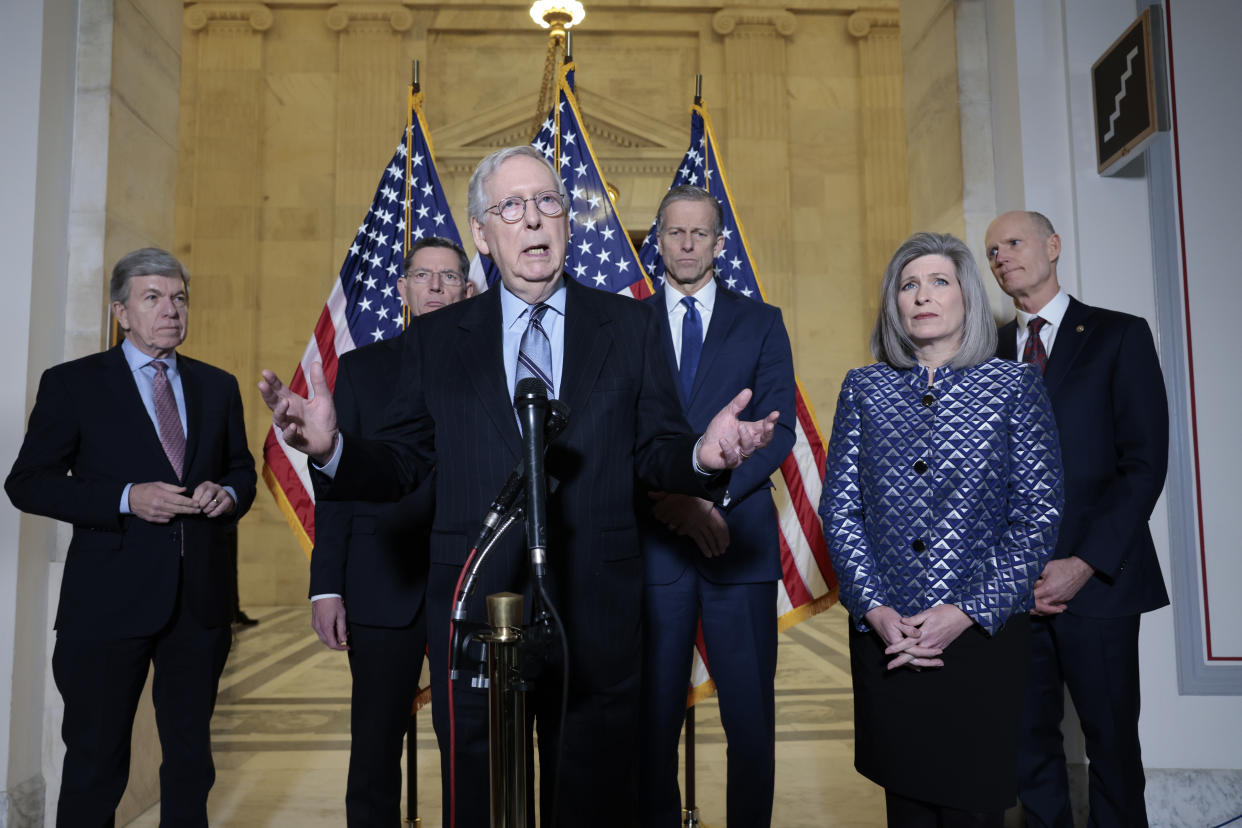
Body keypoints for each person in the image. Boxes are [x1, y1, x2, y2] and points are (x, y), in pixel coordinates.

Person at [258, 145, 779, 828]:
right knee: (481, 800)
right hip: (477, 610)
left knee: (593, 799)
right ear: (482, 233)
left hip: (597, 612)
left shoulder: (628, 325)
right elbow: (402, 464)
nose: (534, 219)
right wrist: (333, 450)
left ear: (568, 221)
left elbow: (657, 452)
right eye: (512, 206)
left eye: (548, 202)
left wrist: (705, 458)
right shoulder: (439, 339)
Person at [6, 247, 257, 826]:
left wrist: (230, 493)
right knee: (96, 764)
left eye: (178, 298)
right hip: (105, 607)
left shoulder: (218, 386)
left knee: (191, 763)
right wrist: (124, 498)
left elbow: (241, 468)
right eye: (153, 298)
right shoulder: (73, 385)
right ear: (121, 311)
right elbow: (27, 483)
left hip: (198, 606)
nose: (170, 310)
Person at [819, 231, 1063, 826]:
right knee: (906, 808)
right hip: (890, 639)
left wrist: (966, 612)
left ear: (966, 298)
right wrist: (875, 610)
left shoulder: (1013, 385)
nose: (922, 296)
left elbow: (1038, 514)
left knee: (971, 809)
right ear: (894, 304)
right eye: (908, 284)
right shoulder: (865, 387)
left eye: (938, 282)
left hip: (979, 640)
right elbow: (840, 510)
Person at [985, 210, 1170, 827]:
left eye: (1014, 242)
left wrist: (1083, 563)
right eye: (992, 252)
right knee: (1029, 752)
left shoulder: (1119, 335)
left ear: (1053, 246)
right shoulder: (984, 357)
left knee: (1113, 748)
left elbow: (1144, 463)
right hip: (1014, 595)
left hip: (1099, 585)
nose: (1003, 256)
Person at [638, 185, 795, 828]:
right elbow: (616, 430)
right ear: (657, 241)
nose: (687, 244)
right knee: (650, 725)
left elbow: (776, 430)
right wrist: (674, 504)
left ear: (719, 243)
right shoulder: (626, 324)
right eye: (675, 232)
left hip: (740, 543)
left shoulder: (762, 321)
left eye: (700, 233)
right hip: (654, 549)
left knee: (750, 723)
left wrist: (715, 500)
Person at [309, 236, 474, 825]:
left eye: (449, 277)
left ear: (468, 290)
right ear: (402, 290)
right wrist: (326, 584)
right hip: (381, 583)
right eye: (423, 277)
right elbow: (338, 492)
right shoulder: (359, 371)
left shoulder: (496, 369)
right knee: (374, 750)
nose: (435, 288)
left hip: (470, 584)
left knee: (470, 748)